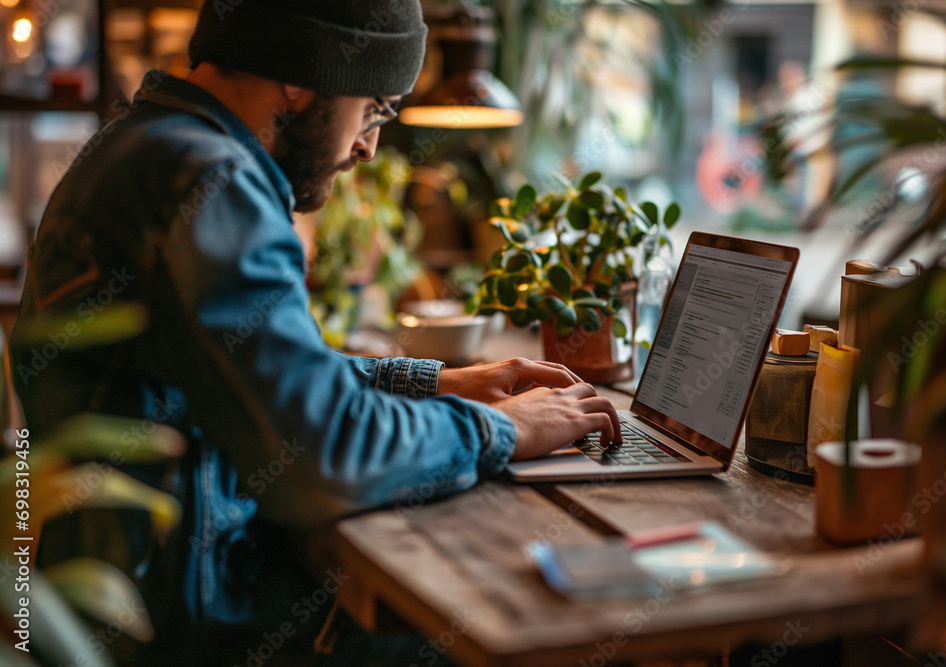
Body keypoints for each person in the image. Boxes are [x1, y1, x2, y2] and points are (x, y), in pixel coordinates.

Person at [10, 1, 620, 664]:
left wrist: (442, 382)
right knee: (530, 623)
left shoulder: (132, 146)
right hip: (200, 628)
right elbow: (324, 450)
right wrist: (504, 430)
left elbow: (260, 376)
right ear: (300, 80)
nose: (367, 146)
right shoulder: (214, 182)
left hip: (123, 602)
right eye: (375, 108)